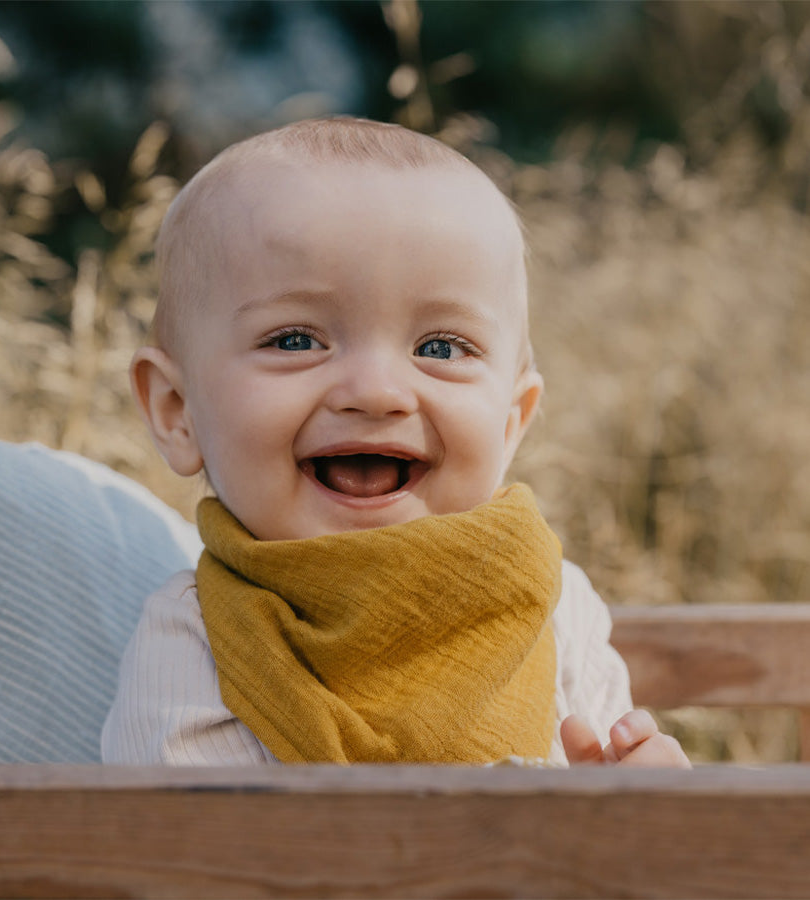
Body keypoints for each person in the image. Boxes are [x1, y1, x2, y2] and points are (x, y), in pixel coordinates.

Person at [102, 117, 689, 768]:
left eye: (440, 348)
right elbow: (192, 853)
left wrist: (641, 800)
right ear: (176, 410)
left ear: (510, 423)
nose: (377, 392)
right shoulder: (197, 640)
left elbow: (619, 829)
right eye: (296, 340)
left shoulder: (552, 602)